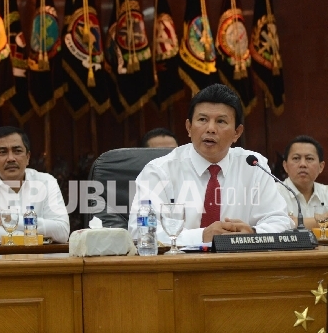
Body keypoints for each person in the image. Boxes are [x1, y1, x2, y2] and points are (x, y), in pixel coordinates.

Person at [129, 84, 289, 246]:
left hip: (240, 264)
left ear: (237, 133)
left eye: (221, 121)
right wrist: (202, 236)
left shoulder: (253, 166)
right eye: (202, 120)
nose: (211, 129)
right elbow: (139, 231)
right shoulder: (159, 171)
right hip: (180, 267)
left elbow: (279, 220)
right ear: (189, 127)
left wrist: (253, 234)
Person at [0, 126, 69, 244]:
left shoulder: (46, 182)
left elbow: (62, 231)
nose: (11, 158)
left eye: (17, 151)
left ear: (28, 157)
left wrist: (11, 221)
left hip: (41, 260)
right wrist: (37, 237)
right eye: (3, 152)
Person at [277, 135, 328, 228]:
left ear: (321, 167)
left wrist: (296, 222)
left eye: (309, 158)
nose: (303, 164)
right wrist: (324, 219)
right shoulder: (273, 192)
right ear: (285, 166)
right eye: (296, 158)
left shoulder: (326, 192)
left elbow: (288, 224)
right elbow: (276, 226)